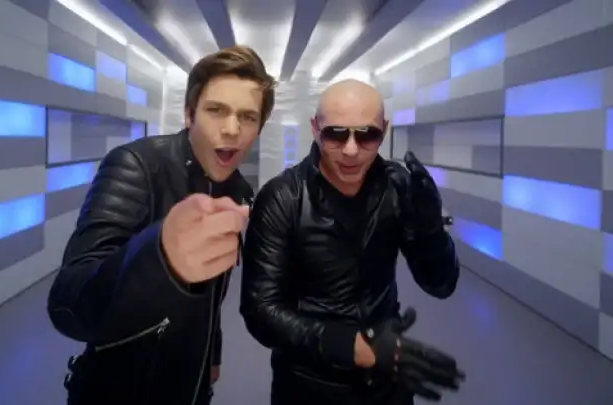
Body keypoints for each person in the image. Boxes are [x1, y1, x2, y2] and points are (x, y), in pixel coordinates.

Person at [47, 45, 276, 405]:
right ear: (189, 114)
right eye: (216, 110)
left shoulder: (237, 190)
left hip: (190, 385)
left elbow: (212, 293)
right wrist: (160, 259)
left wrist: (211, 352)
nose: (232, 129)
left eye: (247, 117)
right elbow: (67, 302)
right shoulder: (135, 165)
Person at [240, 79, 465, 405]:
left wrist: (431, 232)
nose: (350, 150)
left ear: (384, 131)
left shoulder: (397, 187)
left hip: (386, 378)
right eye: (335, 134)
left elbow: (441, 284)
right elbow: (260, 310)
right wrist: (351, 346)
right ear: (315, 129)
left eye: (366, 135)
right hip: (307, 385)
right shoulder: (283, 197)